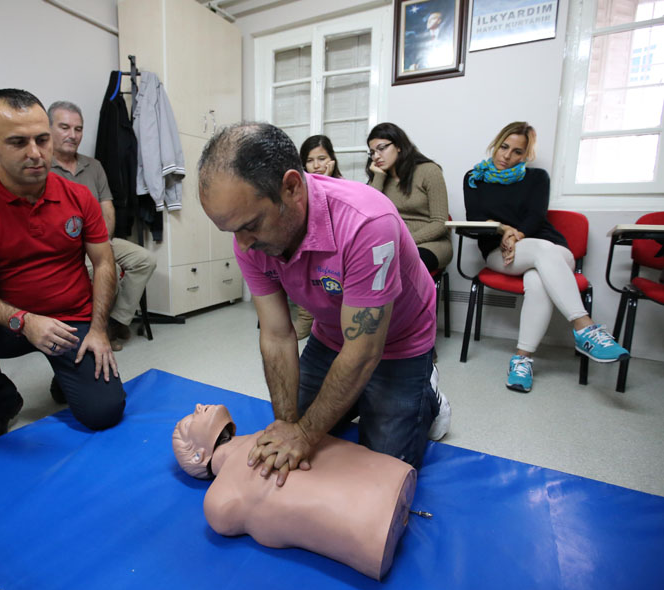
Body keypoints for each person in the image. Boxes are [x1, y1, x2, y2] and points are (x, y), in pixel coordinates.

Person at [197, 122, 450, 487]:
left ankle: (428, 396)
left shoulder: (367, 223)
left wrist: (304, 435)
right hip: (331, 334)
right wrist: (287, 425)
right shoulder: (248, 239)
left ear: (291, 188)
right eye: (232, 231)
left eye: (250, 225)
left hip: (399, 341)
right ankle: (361, 397)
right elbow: (277, 334)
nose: (243, 244)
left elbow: (364, 351)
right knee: (292, 425)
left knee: (381, 471)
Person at [0, 89, 126, 451]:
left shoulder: (79, 197)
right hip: (6, 321)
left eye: (42, 139)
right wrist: (23, 320)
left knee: (104, 412)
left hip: (71, 319)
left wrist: (98, 330)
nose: (35, 153)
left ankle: (67, 373)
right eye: (18, 142)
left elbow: (104, 262)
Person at [464, 121, 629, 393]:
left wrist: (517, 235)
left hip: (552, 248)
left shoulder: (537, 178)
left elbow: (536, 216)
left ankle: (522, 360)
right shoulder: (475, 178)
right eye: (504, 147)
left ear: (526, 155)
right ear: (496, 144)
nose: (507, 156)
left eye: (517, 152)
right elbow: (475, 218)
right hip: (500, 252)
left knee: (539, 271)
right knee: (540, 260)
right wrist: (504, 230)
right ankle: (584, 329)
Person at [171, 403, 417, 580]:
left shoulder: (270, 433)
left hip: (387, 481)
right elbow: (226, 518)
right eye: (190, 421)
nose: (198, 406)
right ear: (197, 456)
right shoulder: (219, 500)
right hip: (369, 530)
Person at [48, 100, 157, 352]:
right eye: (64, 127)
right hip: (68, 248)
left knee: (145, 260)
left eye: (78, 129)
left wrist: (104, 241)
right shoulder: (42, 169)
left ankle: (117, 321)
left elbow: (107, 206)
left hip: (99, 239)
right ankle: (97, 328)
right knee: (109, 273)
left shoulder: (94, 166)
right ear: (48, 128)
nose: (72, 135)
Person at [366, 122, 452, 274]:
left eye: (382, 148)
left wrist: (404, 241)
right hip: (391, 245)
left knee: (398, 268)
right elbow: (369, 215)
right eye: (372, 152)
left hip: (431, 243)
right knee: (361, 266)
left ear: (398, 146)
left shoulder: (429, 171)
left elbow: (440, 223)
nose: (376, 156)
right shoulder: (379, 178)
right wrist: (378, 177)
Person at [290, 134, 344, 340]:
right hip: (310, 244)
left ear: (332, 159)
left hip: (338, 244)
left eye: (322, 159)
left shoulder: (342, 185)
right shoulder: (298, 189)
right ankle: (306, 316)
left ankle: (330, 318)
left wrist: (325, 182)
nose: (316, 165)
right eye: (310, 160)